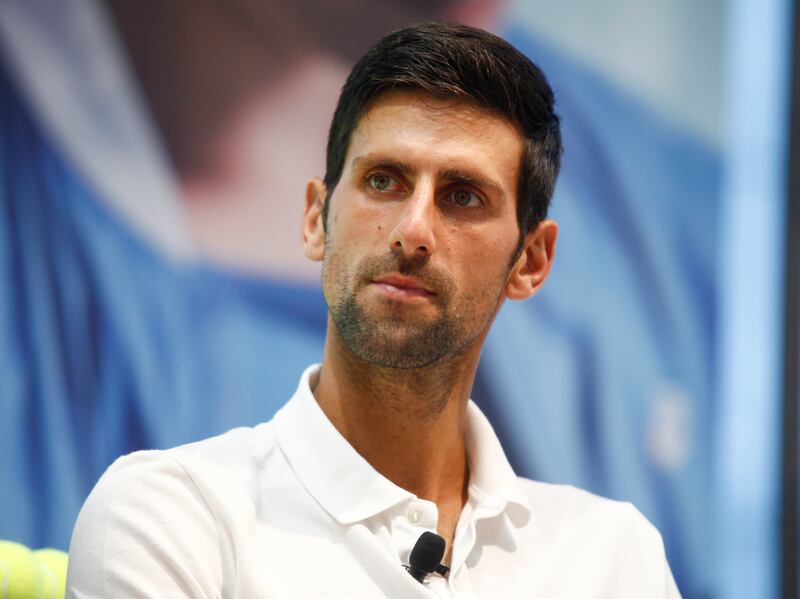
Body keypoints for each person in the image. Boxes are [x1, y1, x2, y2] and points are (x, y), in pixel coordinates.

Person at [66, 22, 681, 598]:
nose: (412, 230)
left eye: (462, 196)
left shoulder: (615, 559)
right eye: (384, 180)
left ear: (531, 261)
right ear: (316, 219)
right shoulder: (173, 518)